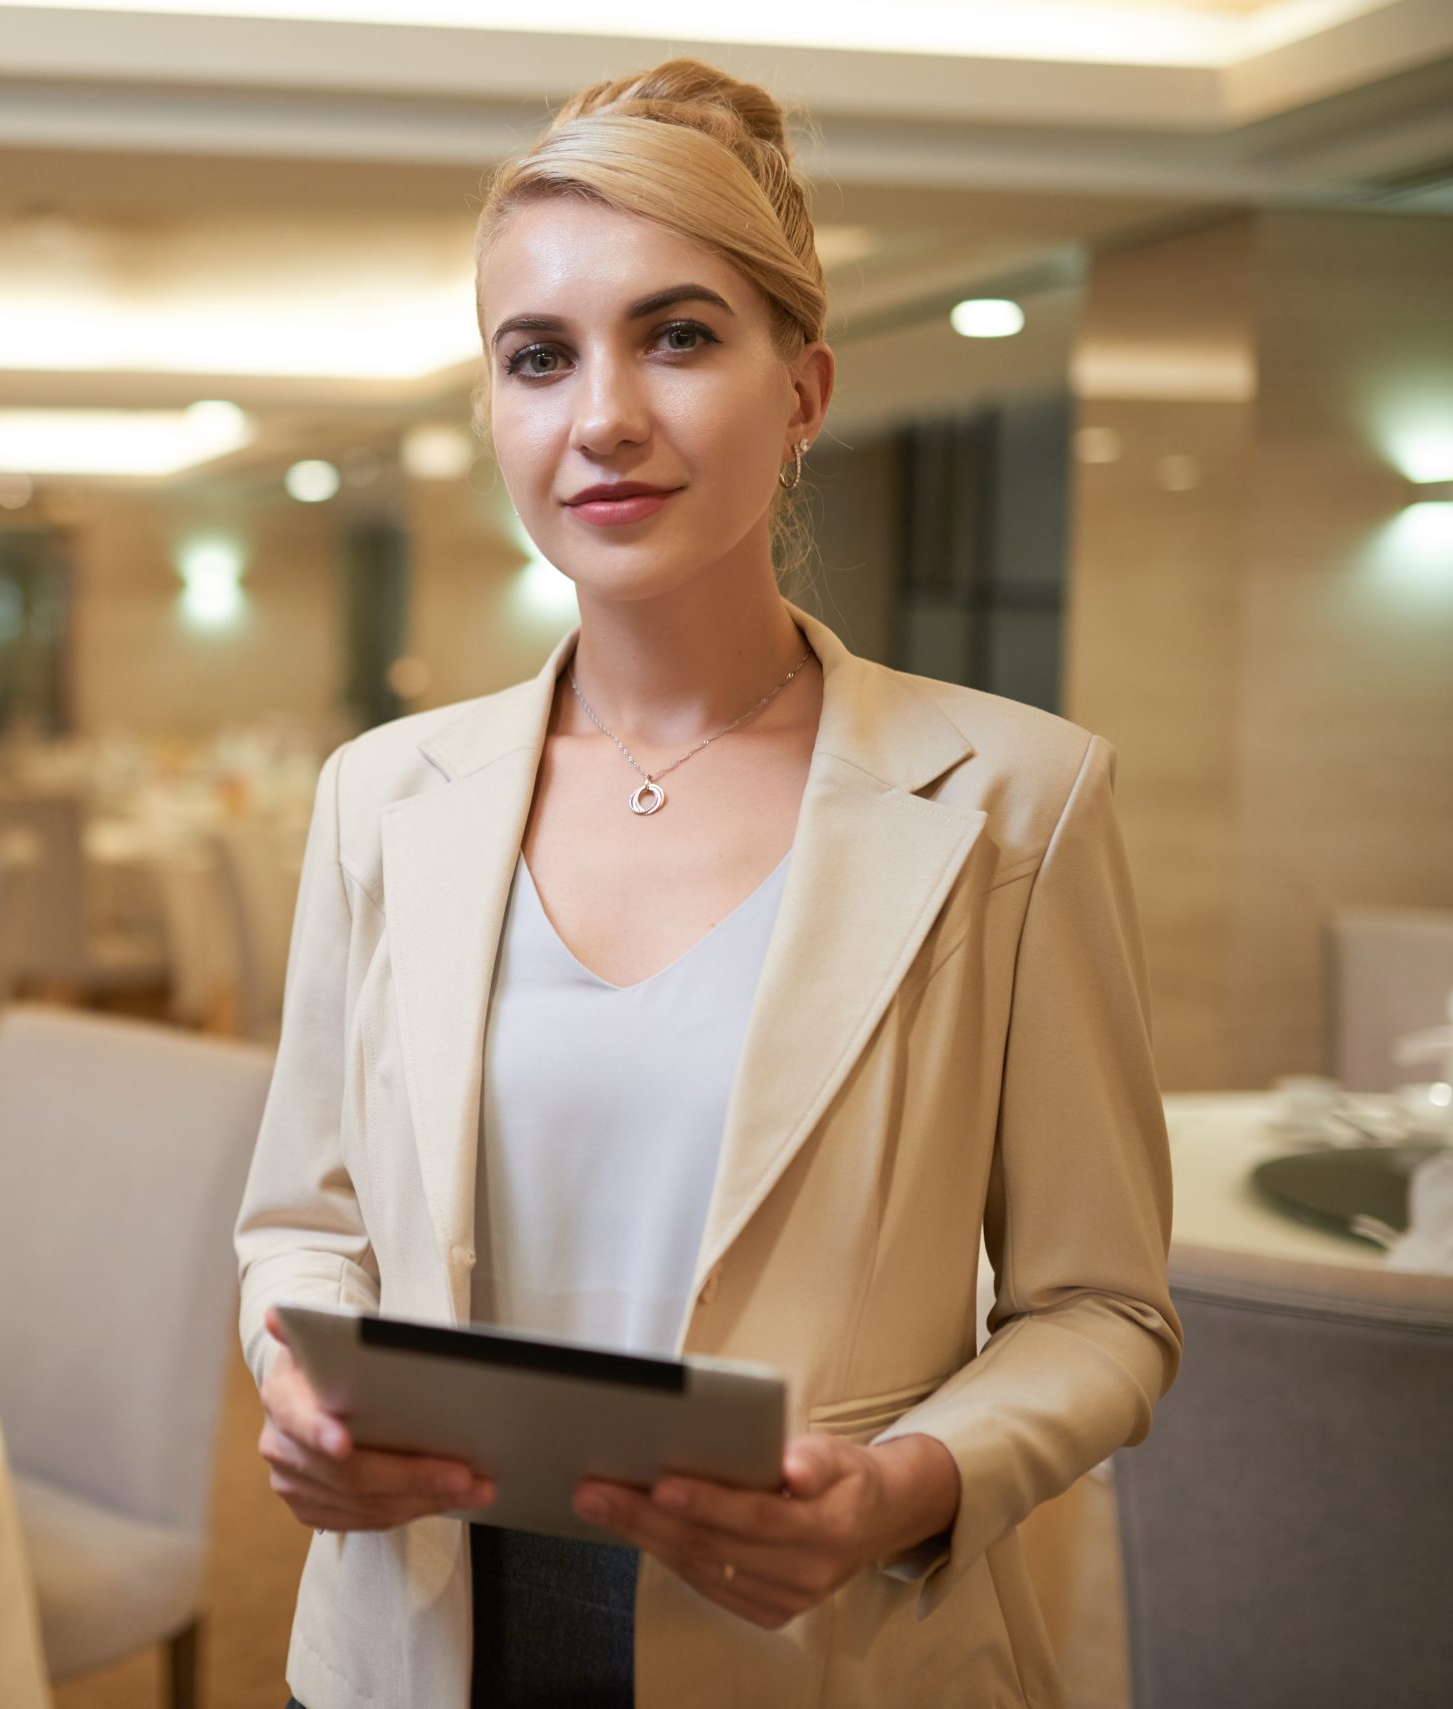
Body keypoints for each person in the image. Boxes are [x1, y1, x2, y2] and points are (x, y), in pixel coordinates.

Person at [235, 57, 1179, 1709]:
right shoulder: (385, 796)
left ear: (804, 390)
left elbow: (1100, 1309)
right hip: (424, 1629)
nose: (601, 414)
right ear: (496, 414)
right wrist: (303, 1393)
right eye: (539, 358)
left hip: (824, 1645)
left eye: (676, 335)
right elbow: (305, 1227)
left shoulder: (1016, 801)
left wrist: (913, 1483)